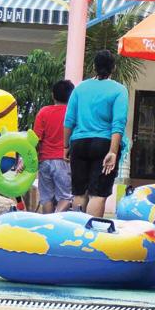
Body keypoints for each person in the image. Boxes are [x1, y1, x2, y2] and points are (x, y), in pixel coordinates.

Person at [64, 50, 128, 218]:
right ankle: (92, 231)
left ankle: (77, 229)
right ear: (113, 68)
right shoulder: (119, 90)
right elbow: (118, 123)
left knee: (79, 192)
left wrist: (65, 146)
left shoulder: (80, 88)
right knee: (97, 194)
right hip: (104, 144)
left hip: (79, 143)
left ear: (94, 67)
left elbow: (69, 120)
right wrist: (113, 151)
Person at [33, 80, 75, 213]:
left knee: (46, 198)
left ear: (53, 95)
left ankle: (48, 222)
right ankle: (55, 218)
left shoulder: (43, 112)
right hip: (64, 160)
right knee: (66, 197)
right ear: (72, 96)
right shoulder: (73, 113)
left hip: (44, 160)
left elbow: (35, 139)